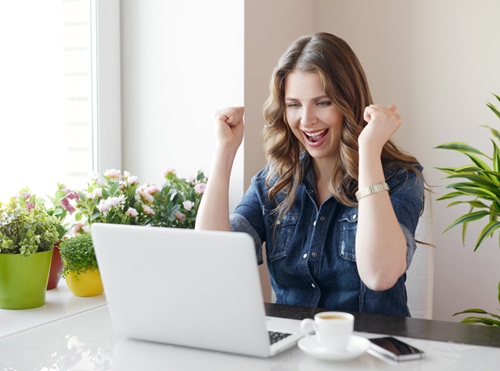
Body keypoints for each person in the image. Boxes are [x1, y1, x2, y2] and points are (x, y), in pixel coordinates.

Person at [195, 32, 424, 317]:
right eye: (294, 105)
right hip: (292, 351)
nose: (306, 120)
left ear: (348, 102)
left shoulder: (400, 178)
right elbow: (212, 261)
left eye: (323, 102)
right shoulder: (274, 182)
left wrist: (368, 150)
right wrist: (225, 149)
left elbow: (381, 275)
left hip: (369, 352)